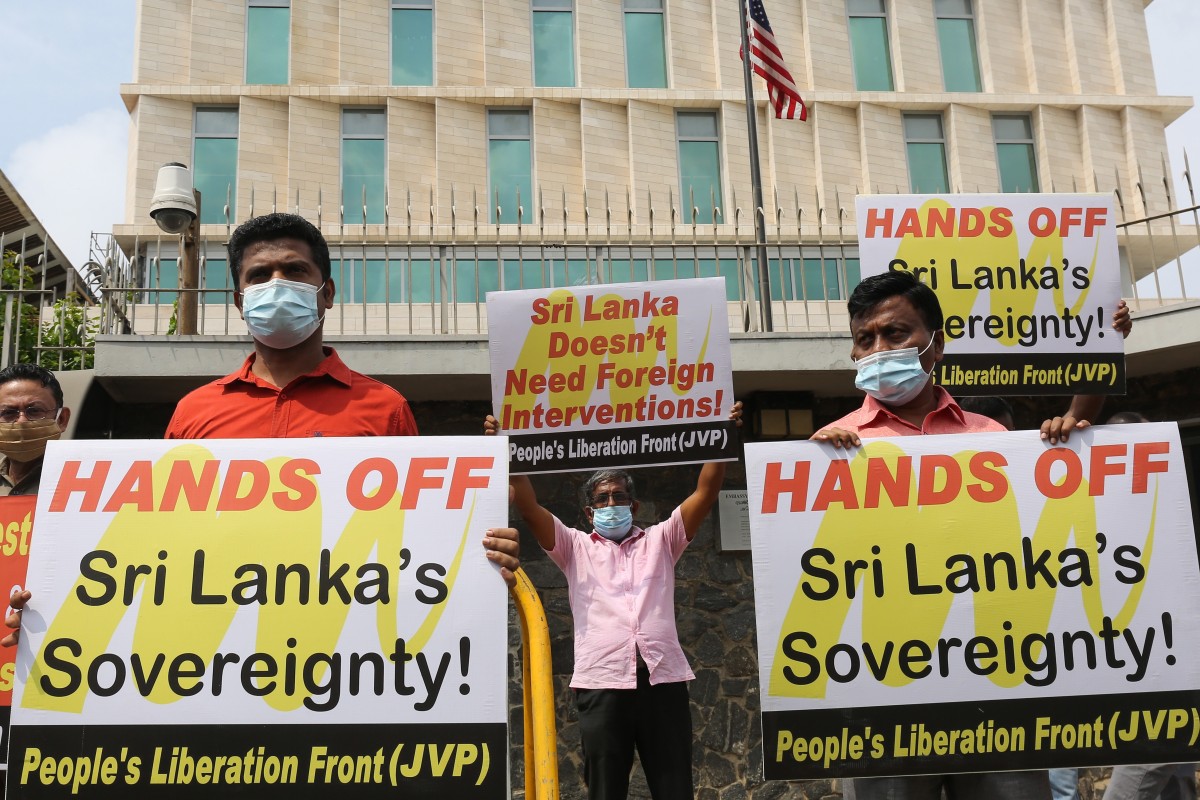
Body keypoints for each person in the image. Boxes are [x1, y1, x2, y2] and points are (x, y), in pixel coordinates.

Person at [5, 212, 519, 646]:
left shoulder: (384, 408)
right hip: (212, 652)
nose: (277, 285)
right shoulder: (194, 412)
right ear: (238, 300)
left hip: (349, 648)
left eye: (295, 271)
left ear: (327, 293)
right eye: (259, 275)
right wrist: (51, 602)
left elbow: (421, 534)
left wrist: (481, 550)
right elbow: (149, 541)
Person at [814, 270, 1051, 800]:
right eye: (864, 339)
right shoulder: (827, 452)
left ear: (937, 344)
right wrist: (816, 476)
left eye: (896, 334)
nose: (878, 349)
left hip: (996, 691)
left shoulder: (993, 440)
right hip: (884, 696)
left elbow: (1030, 553)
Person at [489, 405, 740, 800]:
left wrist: (723, 434)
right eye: (602, 499)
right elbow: (528, 507)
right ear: (589, 513)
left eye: (618, 497)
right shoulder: (573, 547)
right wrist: (506, 449)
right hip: (602, 684)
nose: (611, 505)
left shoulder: (662, 540)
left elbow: (705, 493)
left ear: (634, 506)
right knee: (605, 791)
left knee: (675, 789)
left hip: (663, 682)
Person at [0, 364, 71, 496]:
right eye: (8, 413)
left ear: (61, 419)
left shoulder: (81, 482)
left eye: (35, 411)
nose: (21, 421)